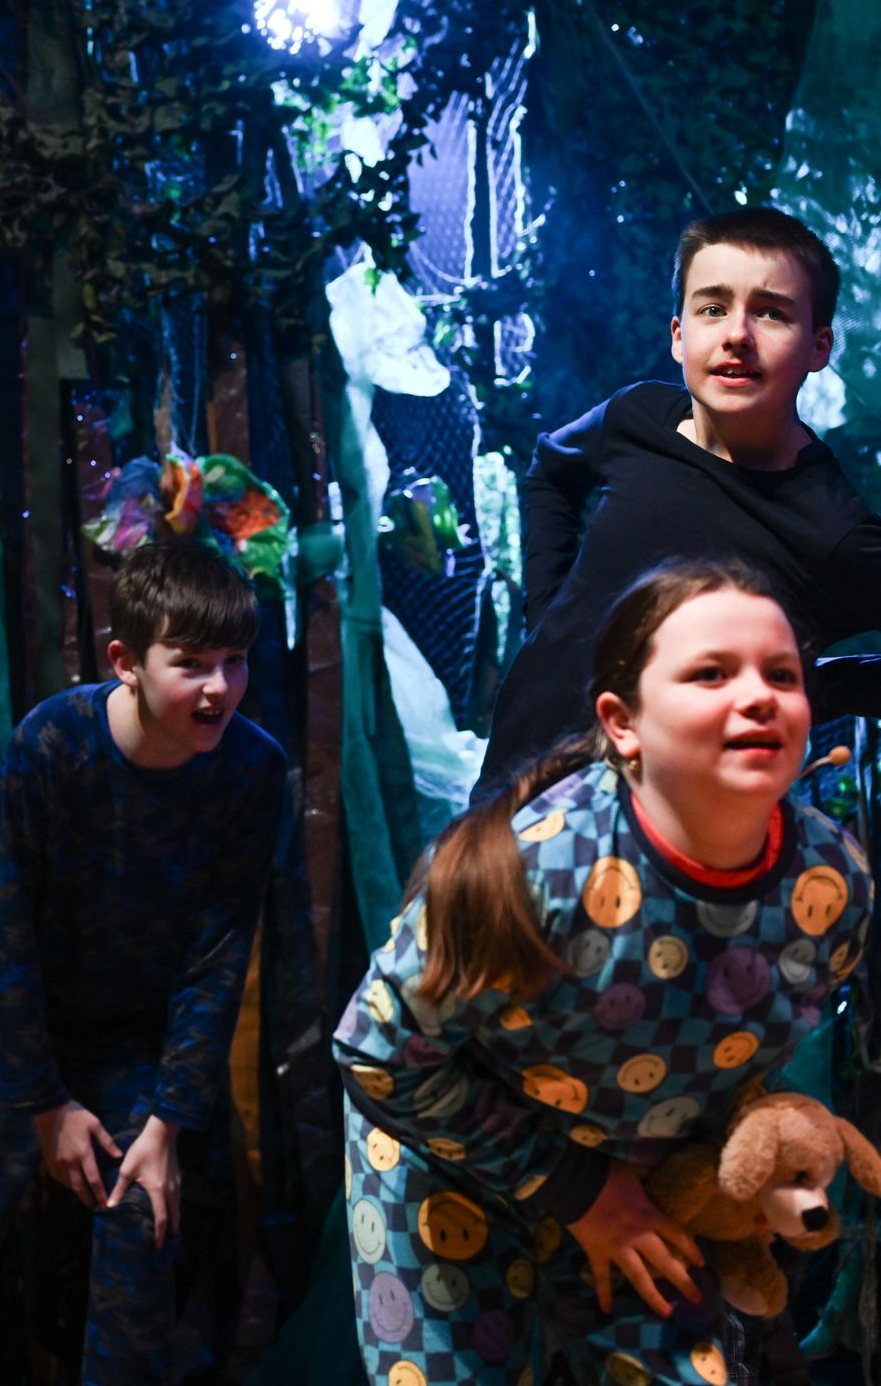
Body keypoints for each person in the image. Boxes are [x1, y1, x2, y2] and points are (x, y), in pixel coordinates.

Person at [336, 559, 872, 1386]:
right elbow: (375, 1052)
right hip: (450, 1161)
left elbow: (739, 1061)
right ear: (623, 724)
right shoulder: (536, 874)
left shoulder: (833, 887)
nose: (759, 696)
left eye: (782, 675)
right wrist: (575, 1189)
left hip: (642, 1175)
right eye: (712, 673)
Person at [0, 536, 287, 1386]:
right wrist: (44, 1103)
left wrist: (167, 1121)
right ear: (126, 662)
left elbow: (218, 955)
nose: (219, 688)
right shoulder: (53, 742)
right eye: (191, 663)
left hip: (130, 1043)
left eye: (234, 662)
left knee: (140, 1255)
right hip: (9, 1031)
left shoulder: (253, 769)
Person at [478, 206, 880, 800]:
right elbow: (552, 472)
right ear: (678, 335)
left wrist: (815, 689)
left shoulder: (830, 529)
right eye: (712, 309)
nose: (736, 335)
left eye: (771, 313)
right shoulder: (637, 416)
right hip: (517, 780)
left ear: (818, 347)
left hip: (666, 835)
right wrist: (548, 617)